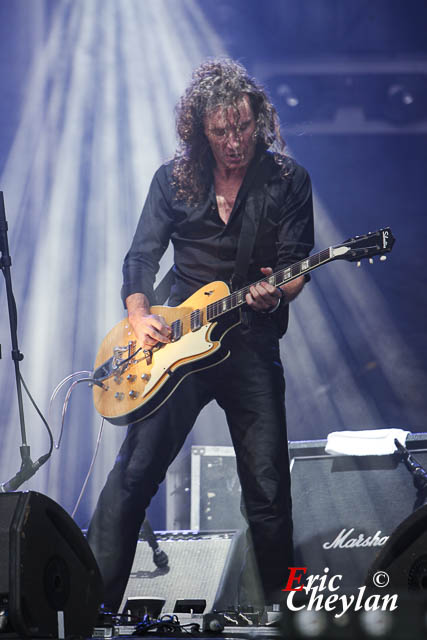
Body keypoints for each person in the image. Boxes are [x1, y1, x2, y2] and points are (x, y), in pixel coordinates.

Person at [87, 58, 314, 611]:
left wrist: (278, 290)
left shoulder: (287, 179)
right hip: (178, 345)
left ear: (258, 119)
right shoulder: (174, 178)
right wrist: (140, 314)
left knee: (268, 492)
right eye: (221, 131)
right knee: (135, 475)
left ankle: (291, 612)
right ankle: (85, 610)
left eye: (243, 127)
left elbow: (296, 268)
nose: (234, 141)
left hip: (251, 343)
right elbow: (140, 258)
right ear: (200, 129)